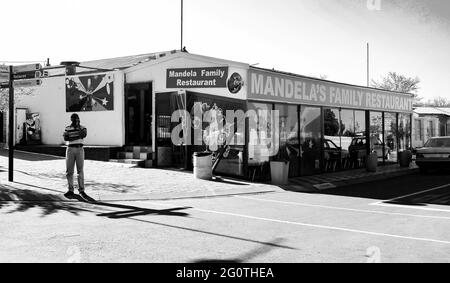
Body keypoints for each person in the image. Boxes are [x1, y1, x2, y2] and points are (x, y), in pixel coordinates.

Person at [63, 113, 89, 200]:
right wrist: (76, 135)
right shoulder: (67, 128)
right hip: (70, 149)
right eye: (74, 119)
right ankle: (70, 190)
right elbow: (66, 138)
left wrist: (76, 130)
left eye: (77, 118)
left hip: (79, 149)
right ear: (71, 119)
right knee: (69, 171)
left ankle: (81, 190)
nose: (75, 120)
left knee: (80, 170)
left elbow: (83, 135)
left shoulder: (83, 127)